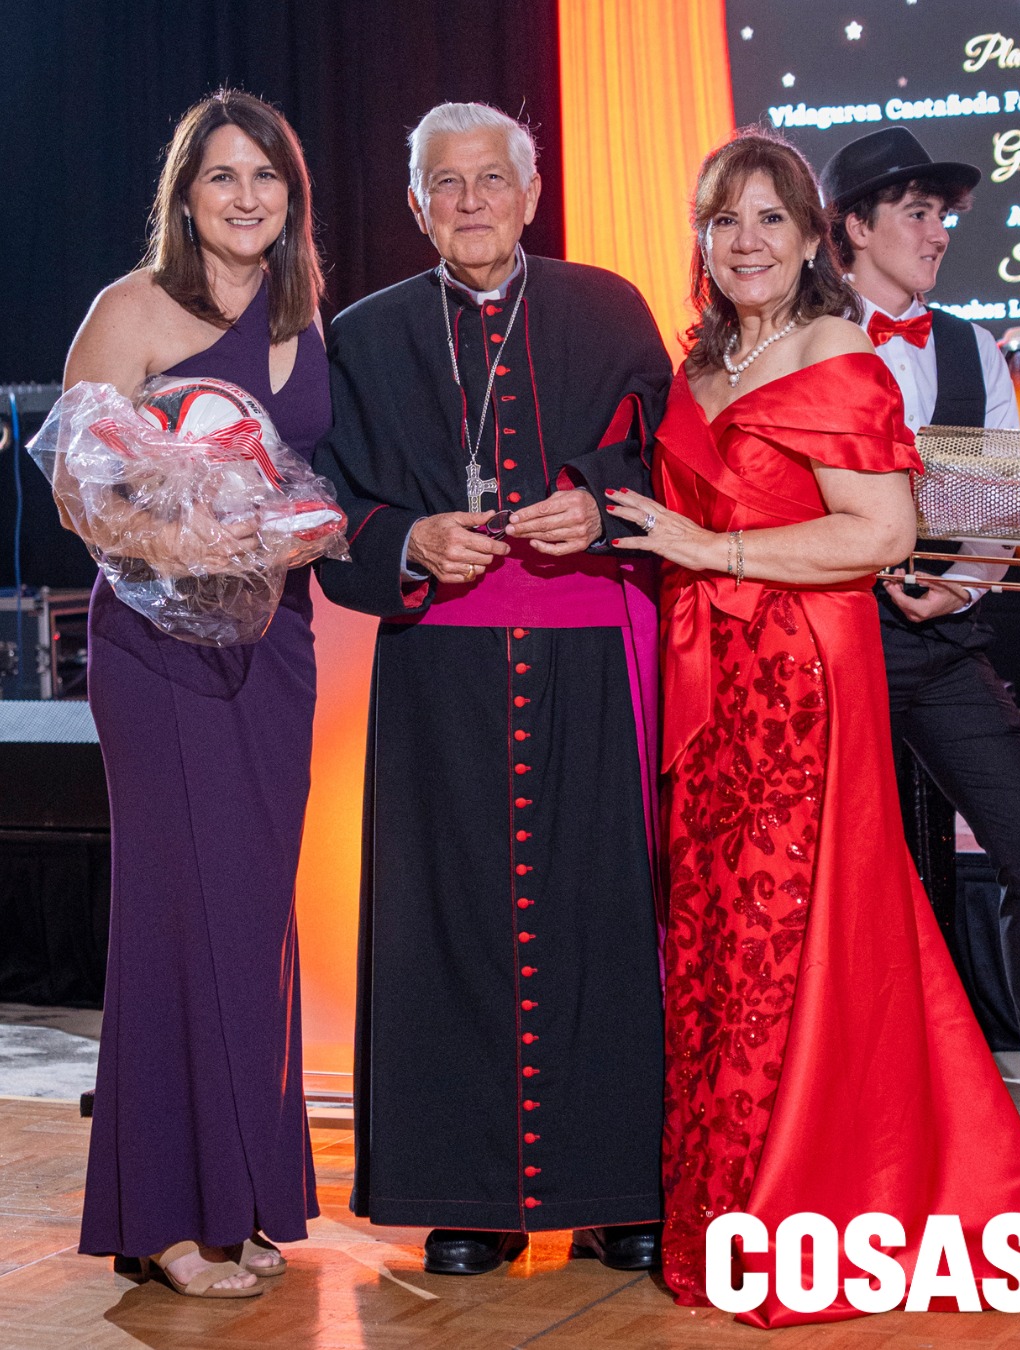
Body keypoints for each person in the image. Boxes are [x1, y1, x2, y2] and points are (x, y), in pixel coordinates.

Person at [606, 129, 1020, 1325]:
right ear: (702, 242)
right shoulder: (698, 363)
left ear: (815, 238)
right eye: (725, 221)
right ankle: (727, 1199)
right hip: (710, 681)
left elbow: (877, 534)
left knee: (799, 933)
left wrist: (709, 550)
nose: (747, 241)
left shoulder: (834, 351)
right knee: (720, 937)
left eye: (771, 218)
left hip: (805, 681)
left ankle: (806, 1201)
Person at [313, 102, 671, 1277]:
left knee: (600, 918)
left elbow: (671, 453)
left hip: (589, 657)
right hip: (442, 670)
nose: (469, 202)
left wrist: (599, 502)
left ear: (531, 192)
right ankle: (470, 1195)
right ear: (416, 206)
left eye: (490, 180)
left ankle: (619, 1186)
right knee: (448, 921)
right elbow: (323, 502)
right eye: (444, 185)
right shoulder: (360, 336)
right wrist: (407, 539)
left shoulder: (608, 307)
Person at [69, 90, 328, 1297]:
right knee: (178, 916)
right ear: (186, 196)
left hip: (275, 652)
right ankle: (164, 1217)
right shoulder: (131, 309)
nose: (246, 197)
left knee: (255, 921)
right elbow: (82, 490)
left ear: (291, 195)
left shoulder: (311, 311)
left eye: (265, 177)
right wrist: (179, 551)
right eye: (222, 177)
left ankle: (249, 1194)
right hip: (159, 648)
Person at [820, 127, 1020, 1158]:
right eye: (917, 214)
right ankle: (873, 1106)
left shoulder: (971, 342)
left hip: (946, 643)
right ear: (854, 227)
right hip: (836, 642)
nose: (938, 234)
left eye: (944, 215)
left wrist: (957, 586)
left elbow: (1004, 497)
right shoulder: (806, 339)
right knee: (858, 879)